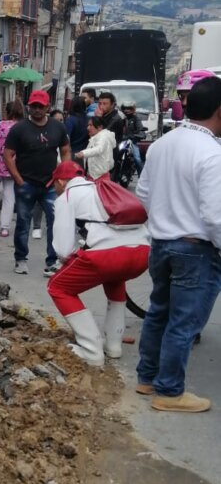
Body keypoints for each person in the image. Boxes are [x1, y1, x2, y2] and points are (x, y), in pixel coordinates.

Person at [135, 76, 221, 413]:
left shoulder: (162, 144)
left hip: (161, 243)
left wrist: (165, 216)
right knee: (184, 323)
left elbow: (143, 192)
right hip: (194, 249)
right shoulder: (212, 153)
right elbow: (215, 216)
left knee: (159, 312)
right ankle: (170, 392)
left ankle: (147, 377)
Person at [47, 162, 150, 366]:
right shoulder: (99, 187)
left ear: (60, 181)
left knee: (58, 287)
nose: (55, 189)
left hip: (107, 256)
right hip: (142, 252)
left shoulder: (67, 195)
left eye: (54, 185)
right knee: (115, 281)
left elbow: (62, 248)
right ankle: (113, 346)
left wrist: (69, 259)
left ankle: (91, 350)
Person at [2, 88, 70, 276]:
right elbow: (8, 155)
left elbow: (65, 150)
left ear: (48, 106)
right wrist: (18, 179)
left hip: (50, 184)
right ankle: (21, 259)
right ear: (28, 107)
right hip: (26, 184)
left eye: (41, 106)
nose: (37, 109)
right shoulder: (19, 128)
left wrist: (63, 175)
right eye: (34, 106)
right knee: (23, 222)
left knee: (54, 221)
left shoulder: (58, 127)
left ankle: (52, 261)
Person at [0, 98, 24, 237]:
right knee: (9, 195)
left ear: (7, 112)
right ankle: (5, 227)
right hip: (13, 166)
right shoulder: (22, 127)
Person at [74, 112, 116, 180]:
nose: (88, 128)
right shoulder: (95, 137)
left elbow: (98, 149)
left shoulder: (103, 137)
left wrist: (83, 153)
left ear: (100, 127)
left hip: (100, 178)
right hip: (94, 177)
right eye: (88, 125)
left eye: (91, 125)